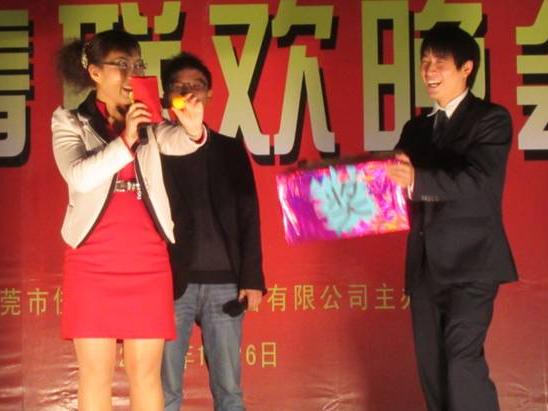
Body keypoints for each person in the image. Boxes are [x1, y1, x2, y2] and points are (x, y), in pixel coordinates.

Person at [52, 30, 206, 410]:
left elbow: (180, 141)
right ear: (95, 73)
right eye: (121, 65)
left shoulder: (148, 118)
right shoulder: (70, 121)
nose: (131, 74)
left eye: (136, 65)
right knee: (95, 374)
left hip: (147, 261)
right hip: (92, 261)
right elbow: (79, 176)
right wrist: (126, 139)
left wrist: (193, 127)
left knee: (146, 374)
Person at [387, 25, 517, 411]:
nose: (429, 70)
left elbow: (479, 181)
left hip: (472, 265)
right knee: (432, 372)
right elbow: (392, 186)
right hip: (425, 269)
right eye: (425, 61)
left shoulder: (490, 119)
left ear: (466, 68)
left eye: (439, 62)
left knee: (462, 361)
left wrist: (417, 179)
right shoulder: (416, 129)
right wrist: (328, 183)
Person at [159, 52, 266, 411]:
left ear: (210, 94)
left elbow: (249, 213)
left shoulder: (229, 148)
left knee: (229, 390)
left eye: (197, 86)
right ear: (165, 95)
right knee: (165, 391)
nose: (189, 93)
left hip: (225, 282)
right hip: (171, 280)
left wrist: (251, 278)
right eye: (179, 86)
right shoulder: (153, 147)